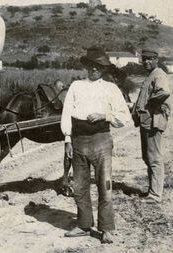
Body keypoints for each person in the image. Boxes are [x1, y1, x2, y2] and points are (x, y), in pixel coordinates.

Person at [60, 46, 130, 244]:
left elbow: (124, 116)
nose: (94, 70)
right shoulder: (76, 86)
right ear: (86, 66)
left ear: (103, 69)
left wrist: (104, 115)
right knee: (80, 186)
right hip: (78, 140)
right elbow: (66, 114)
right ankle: (83, 224)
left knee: (104, 185)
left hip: (101, 140)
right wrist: (67, 140)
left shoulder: (111, 88)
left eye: (98, 66)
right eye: (91, 65)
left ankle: (106, 228)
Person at [132, 48, 171, 203]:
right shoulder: (151, 75)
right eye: (144, 59)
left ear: (156, 59)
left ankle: (155, 195)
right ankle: (152, 191)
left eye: (150, 59)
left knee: (154, 157)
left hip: (153, 121)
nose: (146, 62)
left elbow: (164, 92)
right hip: (146, 121)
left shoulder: (159, 74)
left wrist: (149, 103)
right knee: (148, 156)